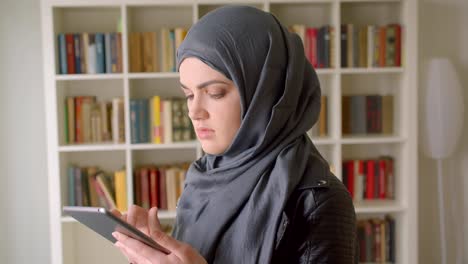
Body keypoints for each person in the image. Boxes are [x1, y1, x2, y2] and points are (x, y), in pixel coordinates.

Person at [112, 5, 357, 264]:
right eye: (188, 95)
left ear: (266, 93)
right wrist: (152, 254)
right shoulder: (203, 177)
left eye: (215, 92)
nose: (194, 112)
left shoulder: (319, 201)